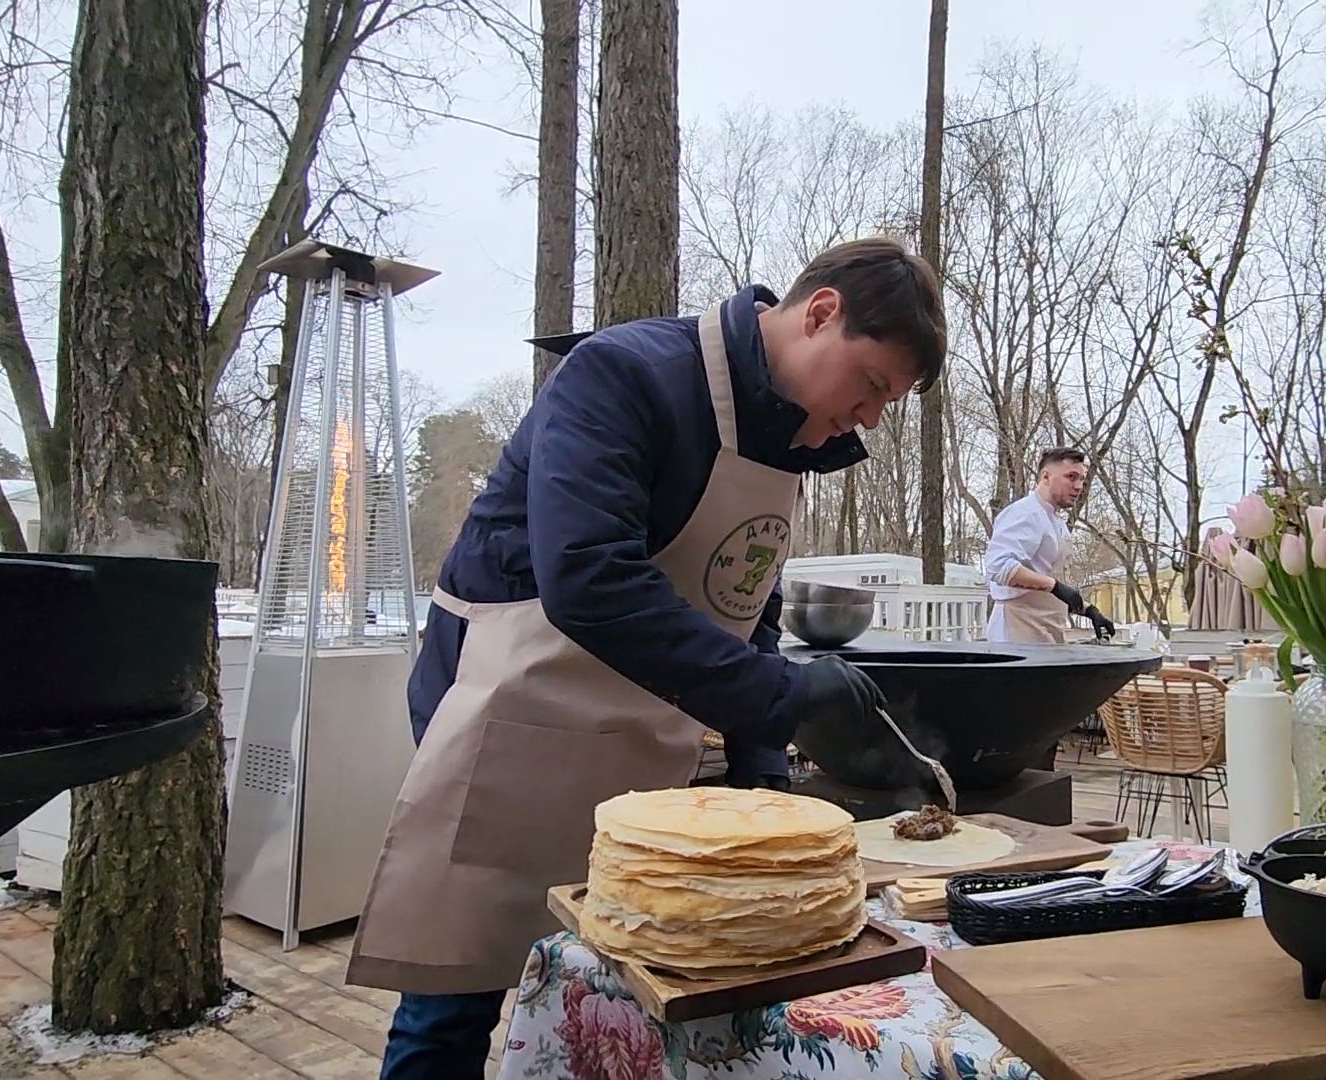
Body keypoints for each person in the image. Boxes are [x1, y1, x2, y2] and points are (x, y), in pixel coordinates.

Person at [347, 237, 949, 1078]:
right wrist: (784, 694)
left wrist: (762, 775)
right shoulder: (624, 373)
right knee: (456, 992)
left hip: (636, 752)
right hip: (512, 723)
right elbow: (588, 577)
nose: (873, 417)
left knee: (616, 993)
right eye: (875, 385)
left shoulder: (790, 441)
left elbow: (747, 605)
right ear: (821, 314)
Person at [983, 447, 1113, 642]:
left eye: (1082, 479)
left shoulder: (1056, 522)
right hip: (1016, 633)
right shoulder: (1026, 513)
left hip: (1046, 634)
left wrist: (1088, 610)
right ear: (1046, 477)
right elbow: (999, 566)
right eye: (1071, 477)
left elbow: (1048, 582)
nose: (1079, 486)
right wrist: (1055, 587)